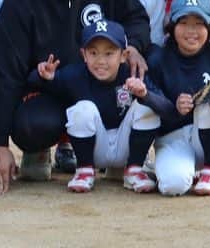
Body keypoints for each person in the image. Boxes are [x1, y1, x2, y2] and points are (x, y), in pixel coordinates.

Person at [0, 0, 151, 195]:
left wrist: (135, 46)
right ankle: (40, 151)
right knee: (31, 125)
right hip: (54, 93)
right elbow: (8, 73)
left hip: (104, 88)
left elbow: (135, 17)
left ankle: (120, 155)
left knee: (151, 65)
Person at [29, 19, 161, 193]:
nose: (100, 61)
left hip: (127, 148)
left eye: (109, 53)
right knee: (82, 109)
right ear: (83, 55)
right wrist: (44, 76)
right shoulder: (75, 74)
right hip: (93, 151)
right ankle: (84, 171)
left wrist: (145, 95)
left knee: (146, 106)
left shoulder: (132, 73)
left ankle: (134, 170)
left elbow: (164, 106)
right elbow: (33, 81)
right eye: (93, 53)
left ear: (123, 55)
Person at [146, 0, 210, 196]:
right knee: (173, 186)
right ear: (172, 26)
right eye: (184, 22)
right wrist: (174, 106)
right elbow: (149, 102)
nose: (191, 31)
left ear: (209, 28)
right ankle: (181, 172)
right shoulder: (158, 59)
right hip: (172, 139)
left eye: (199, 23)